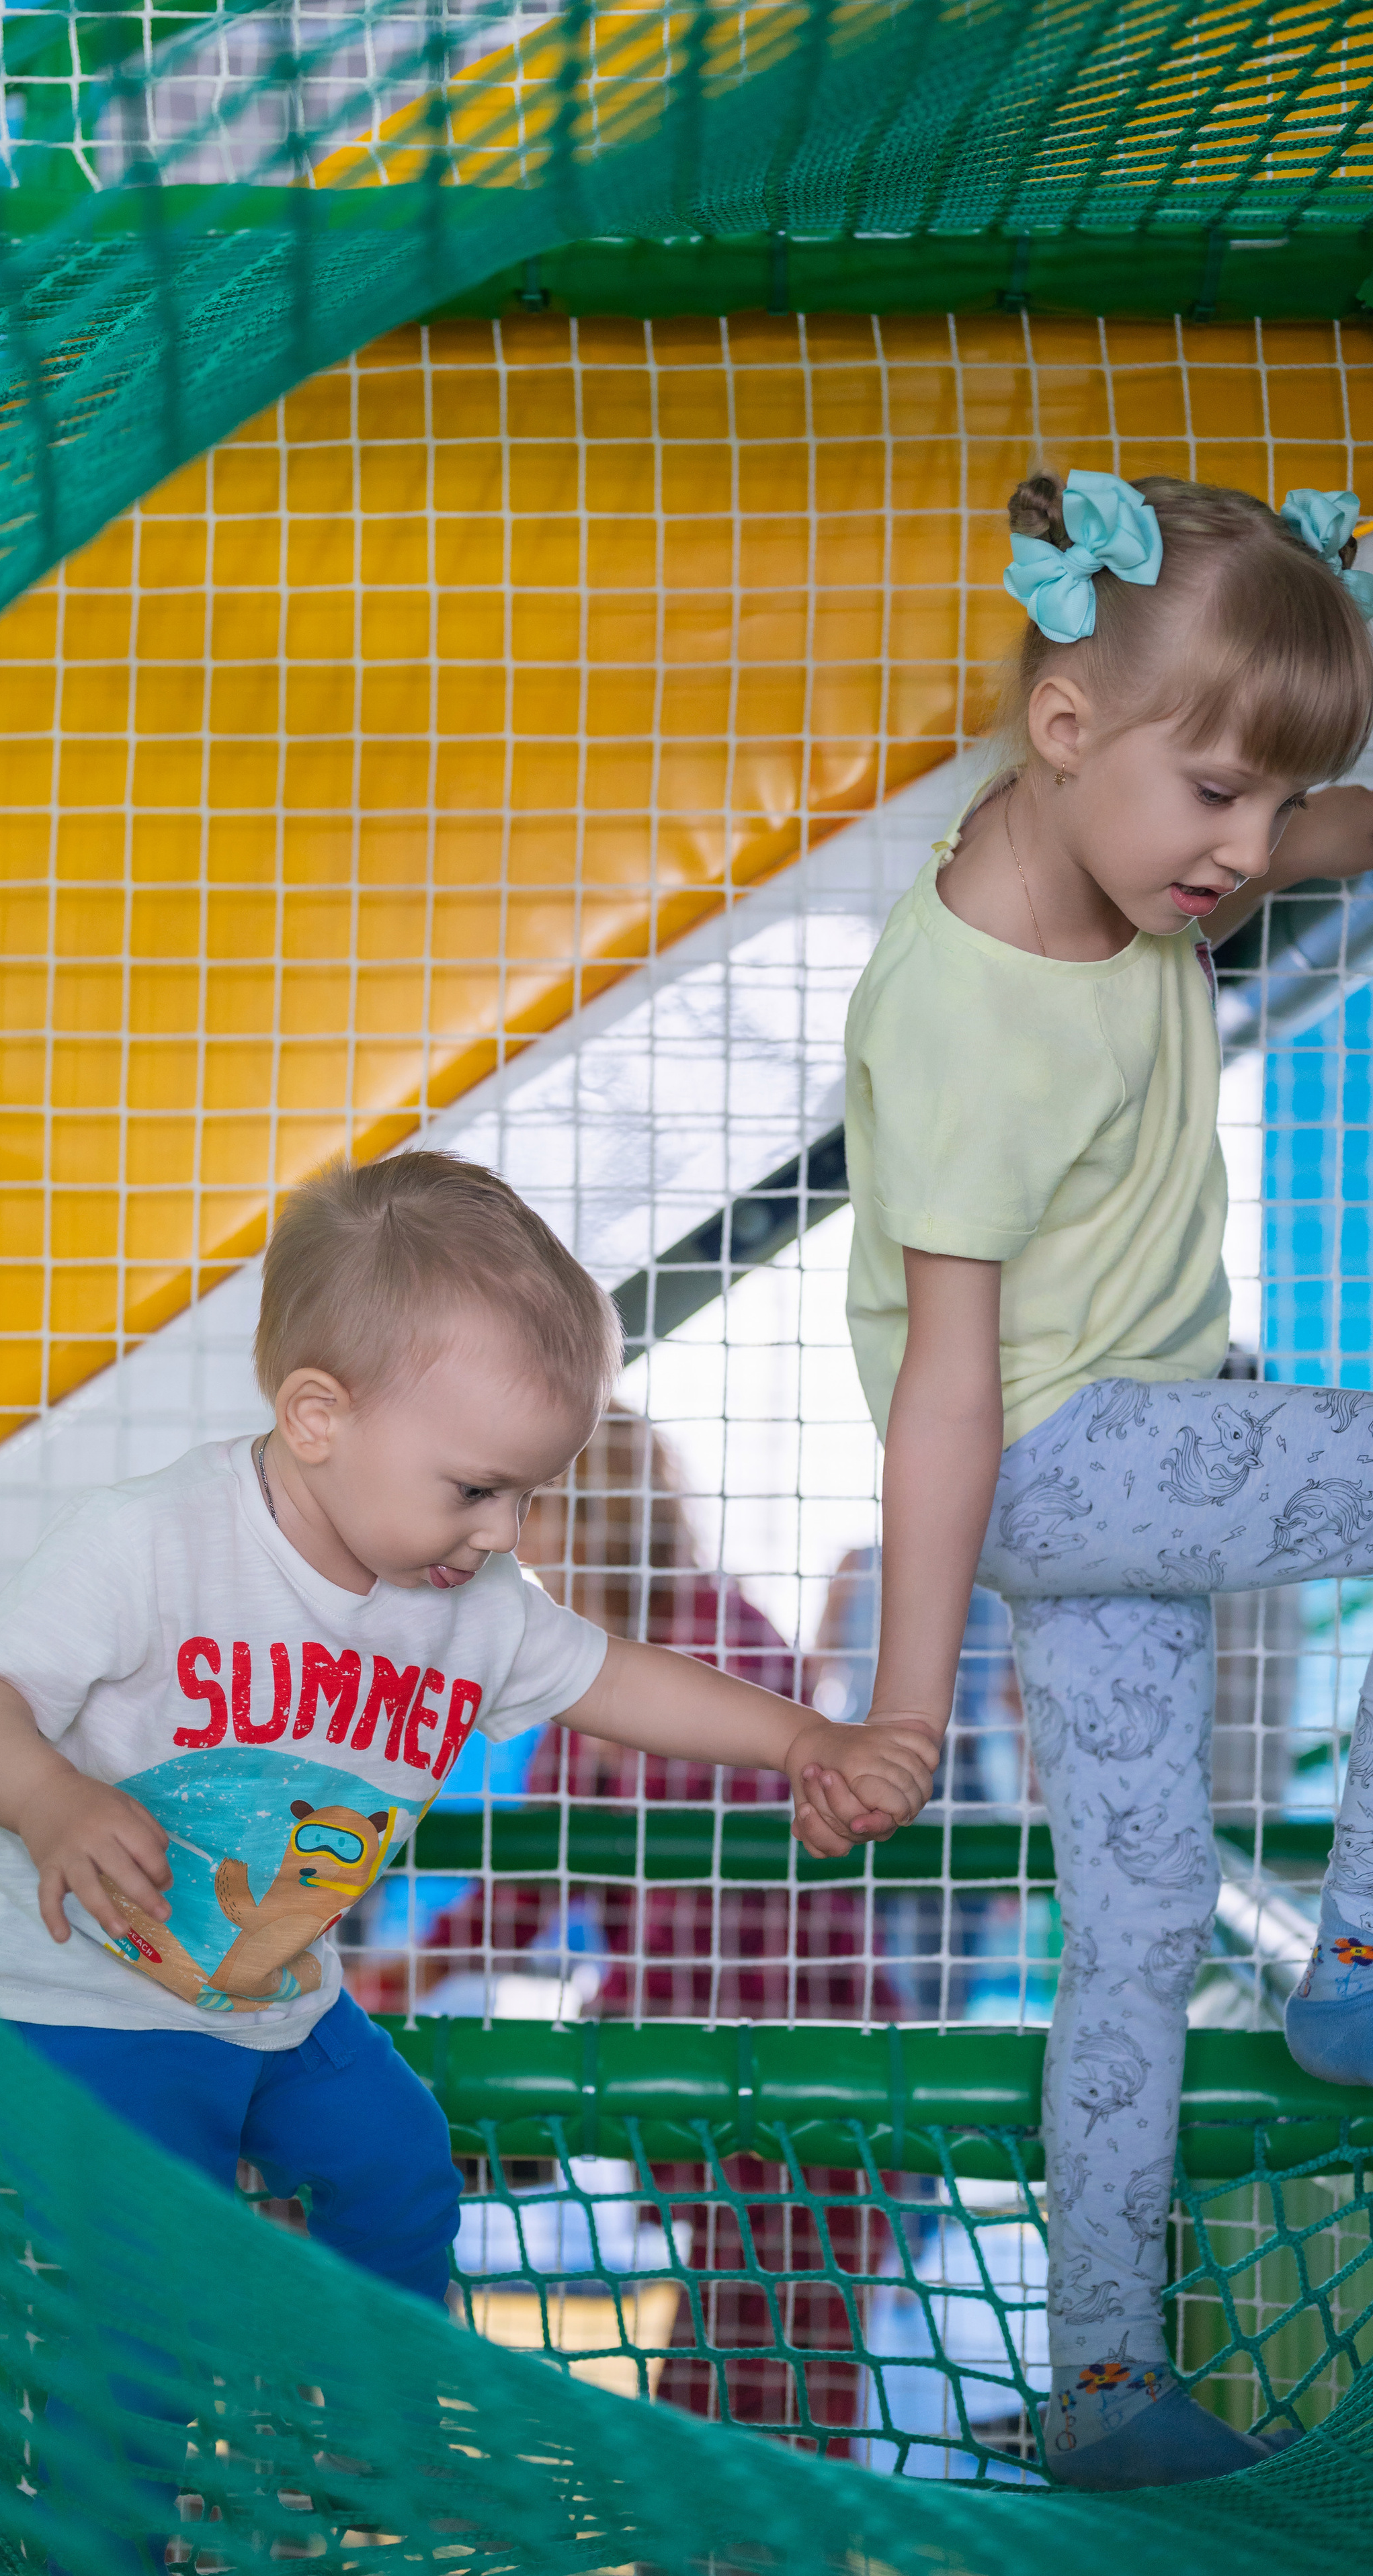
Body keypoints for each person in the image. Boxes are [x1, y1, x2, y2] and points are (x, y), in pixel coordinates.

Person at [0, 1151, 934, 2569]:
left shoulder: (463, 1595)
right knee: (138, 2297)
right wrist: (48, 1804)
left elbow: (625, 1681)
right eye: (475, 1489)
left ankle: (358, 2437)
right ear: (317, 1418)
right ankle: (104, 2533)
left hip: (272, 2001)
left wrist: (800, 1746)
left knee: (396, 2162)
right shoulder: (154, 1542)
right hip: (85, 2006)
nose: (502, 1535)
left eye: (526, 1496)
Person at [837, 469, 1373, 2493]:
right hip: (1056, 1455)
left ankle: (1098, 2380)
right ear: (1068, 737)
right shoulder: (968, 1008)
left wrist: (1313, 806)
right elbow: (946, 1398)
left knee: (1136, 1922)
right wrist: (906, 1701)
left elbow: (1308, 818)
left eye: (1274, 805)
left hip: (1123, 1448)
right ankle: (1364, 1958)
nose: (1251, 857)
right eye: (1222, 801)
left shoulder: (1131, 851)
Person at [418, 1412, 900, 2448]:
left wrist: (411, 1964)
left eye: (521, 1500)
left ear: (577, 1509)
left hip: (785, 2070)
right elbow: (551, 1867)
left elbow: (559, 1872)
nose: (500, 1529)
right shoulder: (655, 1637)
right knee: (738, 2361)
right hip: (740, 2064)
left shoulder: (693, 1647)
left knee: (779, 2375)